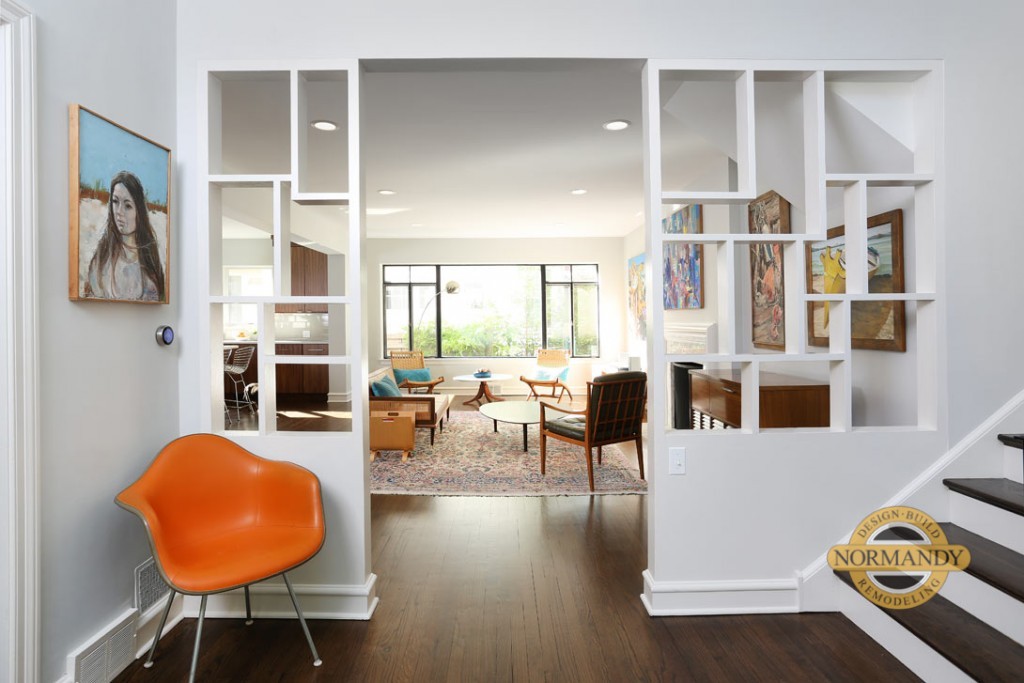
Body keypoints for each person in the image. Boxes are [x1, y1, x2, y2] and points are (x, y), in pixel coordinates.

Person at [84, 171, 166, 302]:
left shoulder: (149, 259)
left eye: (128, 206)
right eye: (115, 202)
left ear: (138, 211)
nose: (119, 212)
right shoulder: (102, 257)